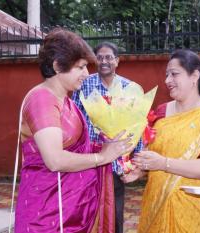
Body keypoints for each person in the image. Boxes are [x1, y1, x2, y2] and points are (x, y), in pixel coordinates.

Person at [14, 28, 133, 233]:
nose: (87, 74)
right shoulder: (42, 100)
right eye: (81, 67)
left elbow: (78, 146)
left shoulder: (67, 102)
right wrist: (101, 157)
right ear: (58, 66)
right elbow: (55, 160)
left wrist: (107, 146)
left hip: (71, 207)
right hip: (47, 213)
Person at [127, 49, 200, 233]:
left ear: (194, 76)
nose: (167, 80)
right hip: (156, 203)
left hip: (194, 209)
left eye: (174, 74)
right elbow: (152, 156)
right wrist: (138, 171)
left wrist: (163, 163)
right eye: (166, 75)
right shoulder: (161, 112)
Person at [71, 41, 142, 233]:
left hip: (116, 161)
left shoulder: (129, 88)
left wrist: (135, 163)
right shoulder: (84, 84)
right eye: (100, 57)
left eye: (109, 57)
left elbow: (137, 127)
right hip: (88, 159)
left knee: (115, 212)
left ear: (117, 61)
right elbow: (73, 116)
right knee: (87, 212)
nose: (104, 61)